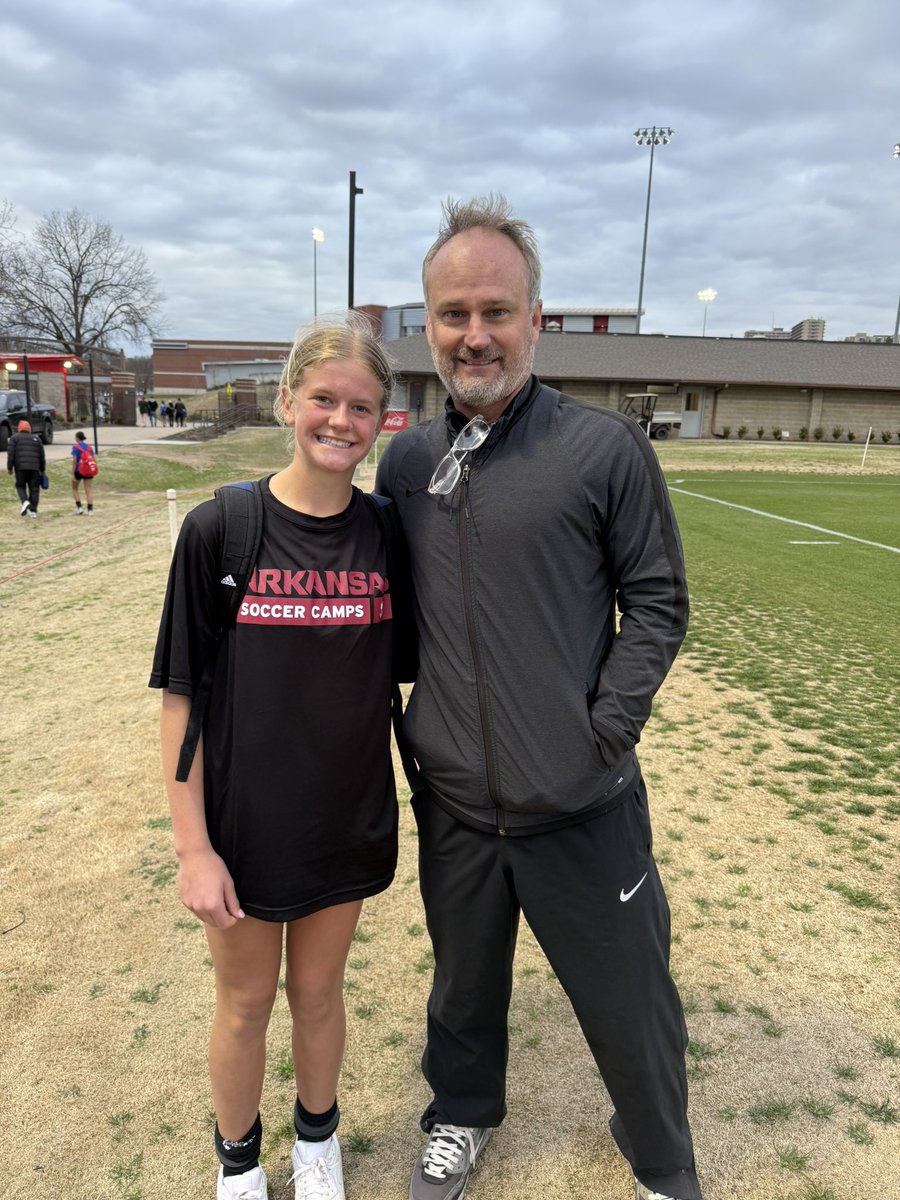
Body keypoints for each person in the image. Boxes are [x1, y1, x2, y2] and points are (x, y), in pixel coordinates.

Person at [375, 196, 701, 1200]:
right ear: (427, 325)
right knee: (462, 993)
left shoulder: (602, 452)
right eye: (454, 313)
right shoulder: (409, 462)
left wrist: (600, 733)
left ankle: (660, 1159)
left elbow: (658, 601)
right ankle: (462, 1115)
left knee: (628, 998)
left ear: (535, 317)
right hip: (461, 808)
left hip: (581, 803)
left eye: (497, 311)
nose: (476, 334)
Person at [150, 316, 405, 1200]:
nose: (340, 420)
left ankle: (316, 1146)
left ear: (383, 421)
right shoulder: (223, 528)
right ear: (289, 400)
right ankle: (239, 1167)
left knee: (320, 997)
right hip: (244, 828)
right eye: (324, 400)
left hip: (344, 821)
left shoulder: (385, 534)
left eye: (362, 407)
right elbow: (181, 700)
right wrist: (193, 847)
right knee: (247, 1002)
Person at [7, 419, 45, 519]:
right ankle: (33, 512)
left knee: (20, 486)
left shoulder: (14, 438)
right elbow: (42, 456)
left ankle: (25, 502)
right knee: (34, 489)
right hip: (34, 469)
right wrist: (42, 469)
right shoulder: (37, 439)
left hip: (20, 468)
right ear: (29, 429)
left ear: (19, 428)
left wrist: (10, 468)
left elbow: (11, 455)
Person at [71, 431, 96, 515]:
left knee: (75, 489)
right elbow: (92, 458)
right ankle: (90, 509)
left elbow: (75, 461)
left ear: (77, 438)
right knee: (88, 490)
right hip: (88, 470)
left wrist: (72, 473)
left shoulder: (75, 447)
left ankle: (79, 507)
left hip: (78, 470)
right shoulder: (89, 448)